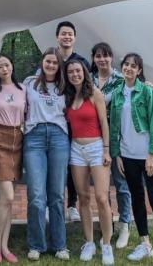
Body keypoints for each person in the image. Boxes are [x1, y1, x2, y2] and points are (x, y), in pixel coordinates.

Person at [110, 53, 153, 266]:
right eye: (126, 65)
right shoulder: (117, 93)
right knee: (137, 199)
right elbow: (114, 127)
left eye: (133, 66)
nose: (128, 68)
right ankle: (145, 245)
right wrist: (116, 153)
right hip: (127, 156)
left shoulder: (147, 91)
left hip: (149, 157)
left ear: (139, 71)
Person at [65, 59, 114, 265]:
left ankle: (106, 244)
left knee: (102, 198)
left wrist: (106, 150)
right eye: (70, 72)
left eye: (78, 70)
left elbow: (104, 122)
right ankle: (89, 242)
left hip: (96, 148)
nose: (75, 74)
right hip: (76, 150)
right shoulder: (67, 96)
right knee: (83, 197)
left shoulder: (95, 93)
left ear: (84, 72)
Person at [23, 48, 70, 261]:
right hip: (34, 137)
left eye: (55, 63)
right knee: (36, 195)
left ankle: (60, 245)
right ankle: (36, 244)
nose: (51, 65)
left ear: (59, 66)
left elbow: (91, 90)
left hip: (59, 137)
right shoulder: (29, 82)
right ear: (42, 62)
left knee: (57, 195)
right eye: (48, 61)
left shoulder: (65, 86)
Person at [0, 53, 26, 263]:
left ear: (12, 66)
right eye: (0, 66)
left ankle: (4, 245)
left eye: (7, 64)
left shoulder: (23, 90)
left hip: (18, 140)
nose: (4, 68)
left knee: (7, 202)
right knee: (7, 197)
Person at [91, 42, 132, 249]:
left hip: (117, 137)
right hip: (94, 138)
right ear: (94, 58)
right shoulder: (89, 80)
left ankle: (125, 224)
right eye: (98, 56)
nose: (102, 59)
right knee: (102, 187)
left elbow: (137, 89)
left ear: (111, 58)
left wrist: (148, 84)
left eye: (106, 55)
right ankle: (108, 225)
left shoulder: (121, 79)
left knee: (121, 184)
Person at [56, 21, 89, 222]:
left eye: (70, 34)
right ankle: (56, 204)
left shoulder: (82, 61)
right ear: (57, 37)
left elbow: (90, 85)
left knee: (74, 164)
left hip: (76, 119)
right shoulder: (51, 58)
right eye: (63, 34)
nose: (66, 37)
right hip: (57, 118)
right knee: (59, 164)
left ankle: (72, 204)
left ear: (74, 38)